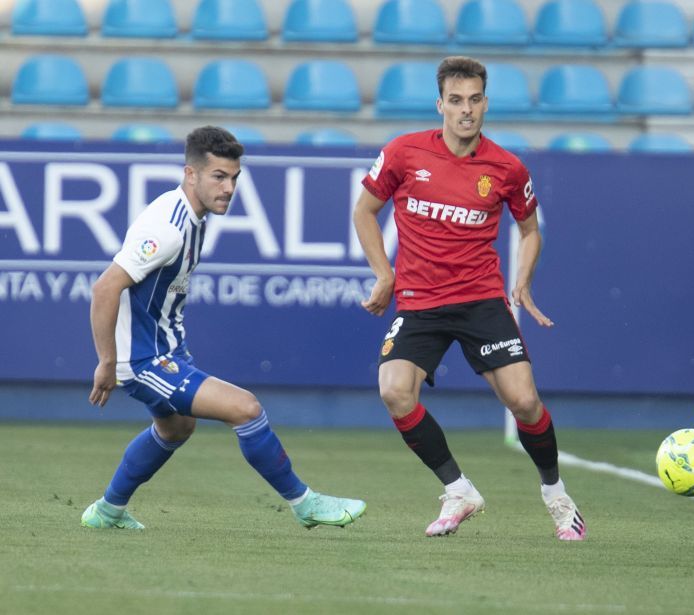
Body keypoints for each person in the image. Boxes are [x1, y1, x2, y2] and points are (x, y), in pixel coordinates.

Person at [82, 126, 366, 530]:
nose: (229, 187)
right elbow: (105, 288)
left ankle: (107, 512)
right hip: (144, 359)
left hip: (166, 349)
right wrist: (108, 362)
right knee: (245, 409)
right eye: (219, 176)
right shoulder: (166, 230)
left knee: (176, 427)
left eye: (234, 178)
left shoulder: (192, 215)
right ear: (191, 174)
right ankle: (305, 503)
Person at [352, 56, 585, 540]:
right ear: (440, 104)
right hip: (419, 301)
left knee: (523, 401)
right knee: (393, 390)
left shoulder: (506, 167)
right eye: (456, 100)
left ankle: (557, 496)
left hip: (481, 299)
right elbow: (364, 211)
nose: (466, 110)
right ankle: (458, 489)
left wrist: (522, 280)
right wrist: (384, 274)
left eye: (475, 100)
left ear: (485, 103)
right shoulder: (404, 153)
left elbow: (529, 228)